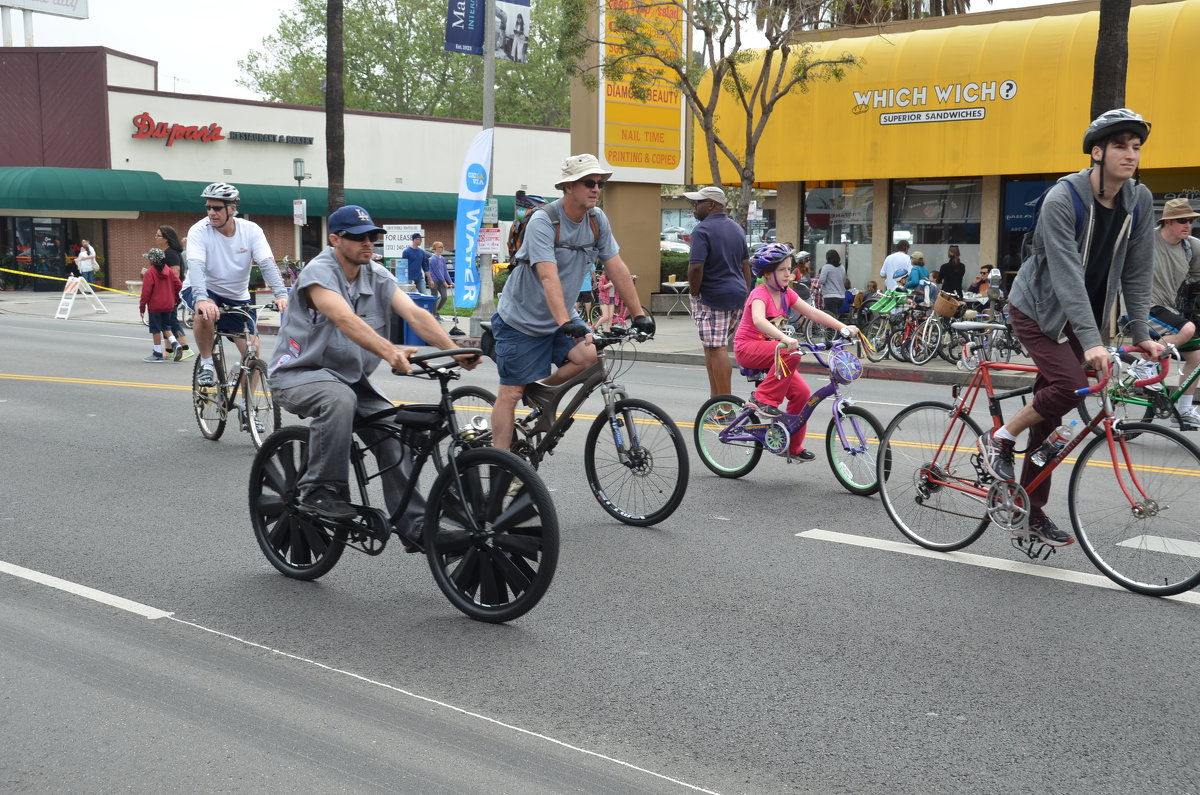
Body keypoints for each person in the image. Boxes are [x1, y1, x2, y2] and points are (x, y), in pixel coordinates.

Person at [977, 108, 1161, 547]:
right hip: (1037, 309)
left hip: (1083, 316)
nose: (1130, 155)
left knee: (1053, 412)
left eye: (1136, 147)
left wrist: (1140, 334)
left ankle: (1028, 513)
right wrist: (1093, 343)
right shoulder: (1064, 199)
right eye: (1120, 146)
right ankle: (999, 436)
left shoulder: (1139, 200)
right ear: (1097, 152)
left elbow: (1138, 272)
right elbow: (1065, 276)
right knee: (1070, 384)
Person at [268, 205, 479, 537]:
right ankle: (320, 490)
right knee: (338, 400)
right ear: (335, 239)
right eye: (358, 237)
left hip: (351, 382)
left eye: (372, 236)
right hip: (298, 374)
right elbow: (344, 318)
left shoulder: (377, 275)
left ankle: (414, 524)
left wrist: (452, 349)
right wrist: (390, 351)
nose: (368, 243)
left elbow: (415, 314)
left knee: (396, 431)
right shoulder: (319, 272)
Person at [490, 153, 652, 451]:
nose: (596, 189)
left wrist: (639, 314)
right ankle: (500, 461)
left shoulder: (596, 219)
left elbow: (616, 266)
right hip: (521, 320)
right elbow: (548, 277)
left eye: (599, 183)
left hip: (559, 316)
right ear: (568, 187)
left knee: (588, 356)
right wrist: (566, 322)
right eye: (589, 182)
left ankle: (540, 395)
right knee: (511, 393)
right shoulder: (544, 221)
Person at [733, 243, 857, 460]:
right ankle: (763, 400)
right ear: (767, 273)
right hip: (748, 348)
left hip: (773, 351)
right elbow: (758, 320)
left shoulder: (786, 294)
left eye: (789, 269)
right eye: (782, 270)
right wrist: (784, 337)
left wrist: (842, 327)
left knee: (802, 394)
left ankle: (792, 446)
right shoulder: (759, 293)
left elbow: (814, 313)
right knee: (791, 352)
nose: (788, 274)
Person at [183, 182, 290, 404]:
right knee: (204, 314)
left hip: (237, 295)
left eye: (217, 208)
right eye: (208, 207)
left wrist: (281, 294)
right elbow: (195, 266)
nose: (211, 212)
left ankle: (247, 406)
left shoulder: (251, 231)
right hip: (204, 287)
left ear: (232, 208)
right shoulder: (198, 231)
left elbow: (267, 264)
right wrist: (202, 299)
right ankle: (206, 364)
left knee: (253, 353)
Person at [684, 185, 752, 397]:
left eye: (698, 203)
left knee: (717, 347)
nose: (695, 207)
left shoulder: (702, 230)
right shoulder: (736, 228)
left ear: (711, 205)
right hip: (737, 294)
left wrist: (695, 293)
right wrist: (747, 292)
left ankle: (724, 404)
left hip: (713, 295)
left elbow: (696, 267)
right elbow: (745, 264)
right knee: (711, 346)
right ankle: (715, 400)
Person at [1145, 198, 1200, 426]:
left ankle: (1184, 413)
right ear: (1167, 221)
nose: (1187, 224)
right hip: (1141, 306)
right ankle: (1146, 364)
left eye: (1190, 220)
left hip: (1168, 308)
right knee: (1187, 329)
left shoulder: (1192, 247)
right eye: (1182, 220)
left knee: (1196, 359)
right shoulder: (1145, 240)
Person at [138, 248, 190, 362]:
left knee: (155, 329)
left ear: (152, 260)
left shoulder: (150, 273)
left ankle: (157, 353)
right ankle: (176, 344)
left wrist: (142, 307)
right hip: (169, 304)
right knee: (166, 327)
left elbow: (146, 292)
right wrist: (175, 298)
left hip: (155, 306)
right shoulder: (169, 271)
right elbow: (179, 285)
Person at [153, 225, 191, 359]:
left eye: (158, 235)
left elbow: (174, 276)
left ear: (166, 239)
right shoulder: (166, 253)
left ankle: (185, 348)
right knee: (166, 321)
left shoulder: (172, 254)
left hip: (172, 293)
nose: (155, 238)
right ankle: (169, 350)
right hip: (166, 293)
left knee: (171, 321)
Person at [818, 249, 847, 343]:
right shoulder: (842, 267)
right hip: (841, 296)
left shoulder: (826, 267)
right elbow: (844, 280)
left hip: (830, 296)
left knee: (830, 319)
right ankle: (836, 337)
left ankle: (831, 339)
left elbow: (821, 280)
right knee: (835, 317)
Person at [428, 240, 452, 316]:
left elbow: (445, 271)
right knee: (434, 298)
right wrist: (444, 282)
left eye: (442, 247)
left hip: (441, 280)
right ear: (436, 248)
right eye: (440, 247)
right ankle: (434, 314)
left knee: (444, 297)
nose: (442, 248)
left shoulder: (442, 259)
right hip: (434, 280)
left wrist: (450, 281)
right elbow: (437, 272)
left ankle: (437, 311)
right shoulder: (433, 259)